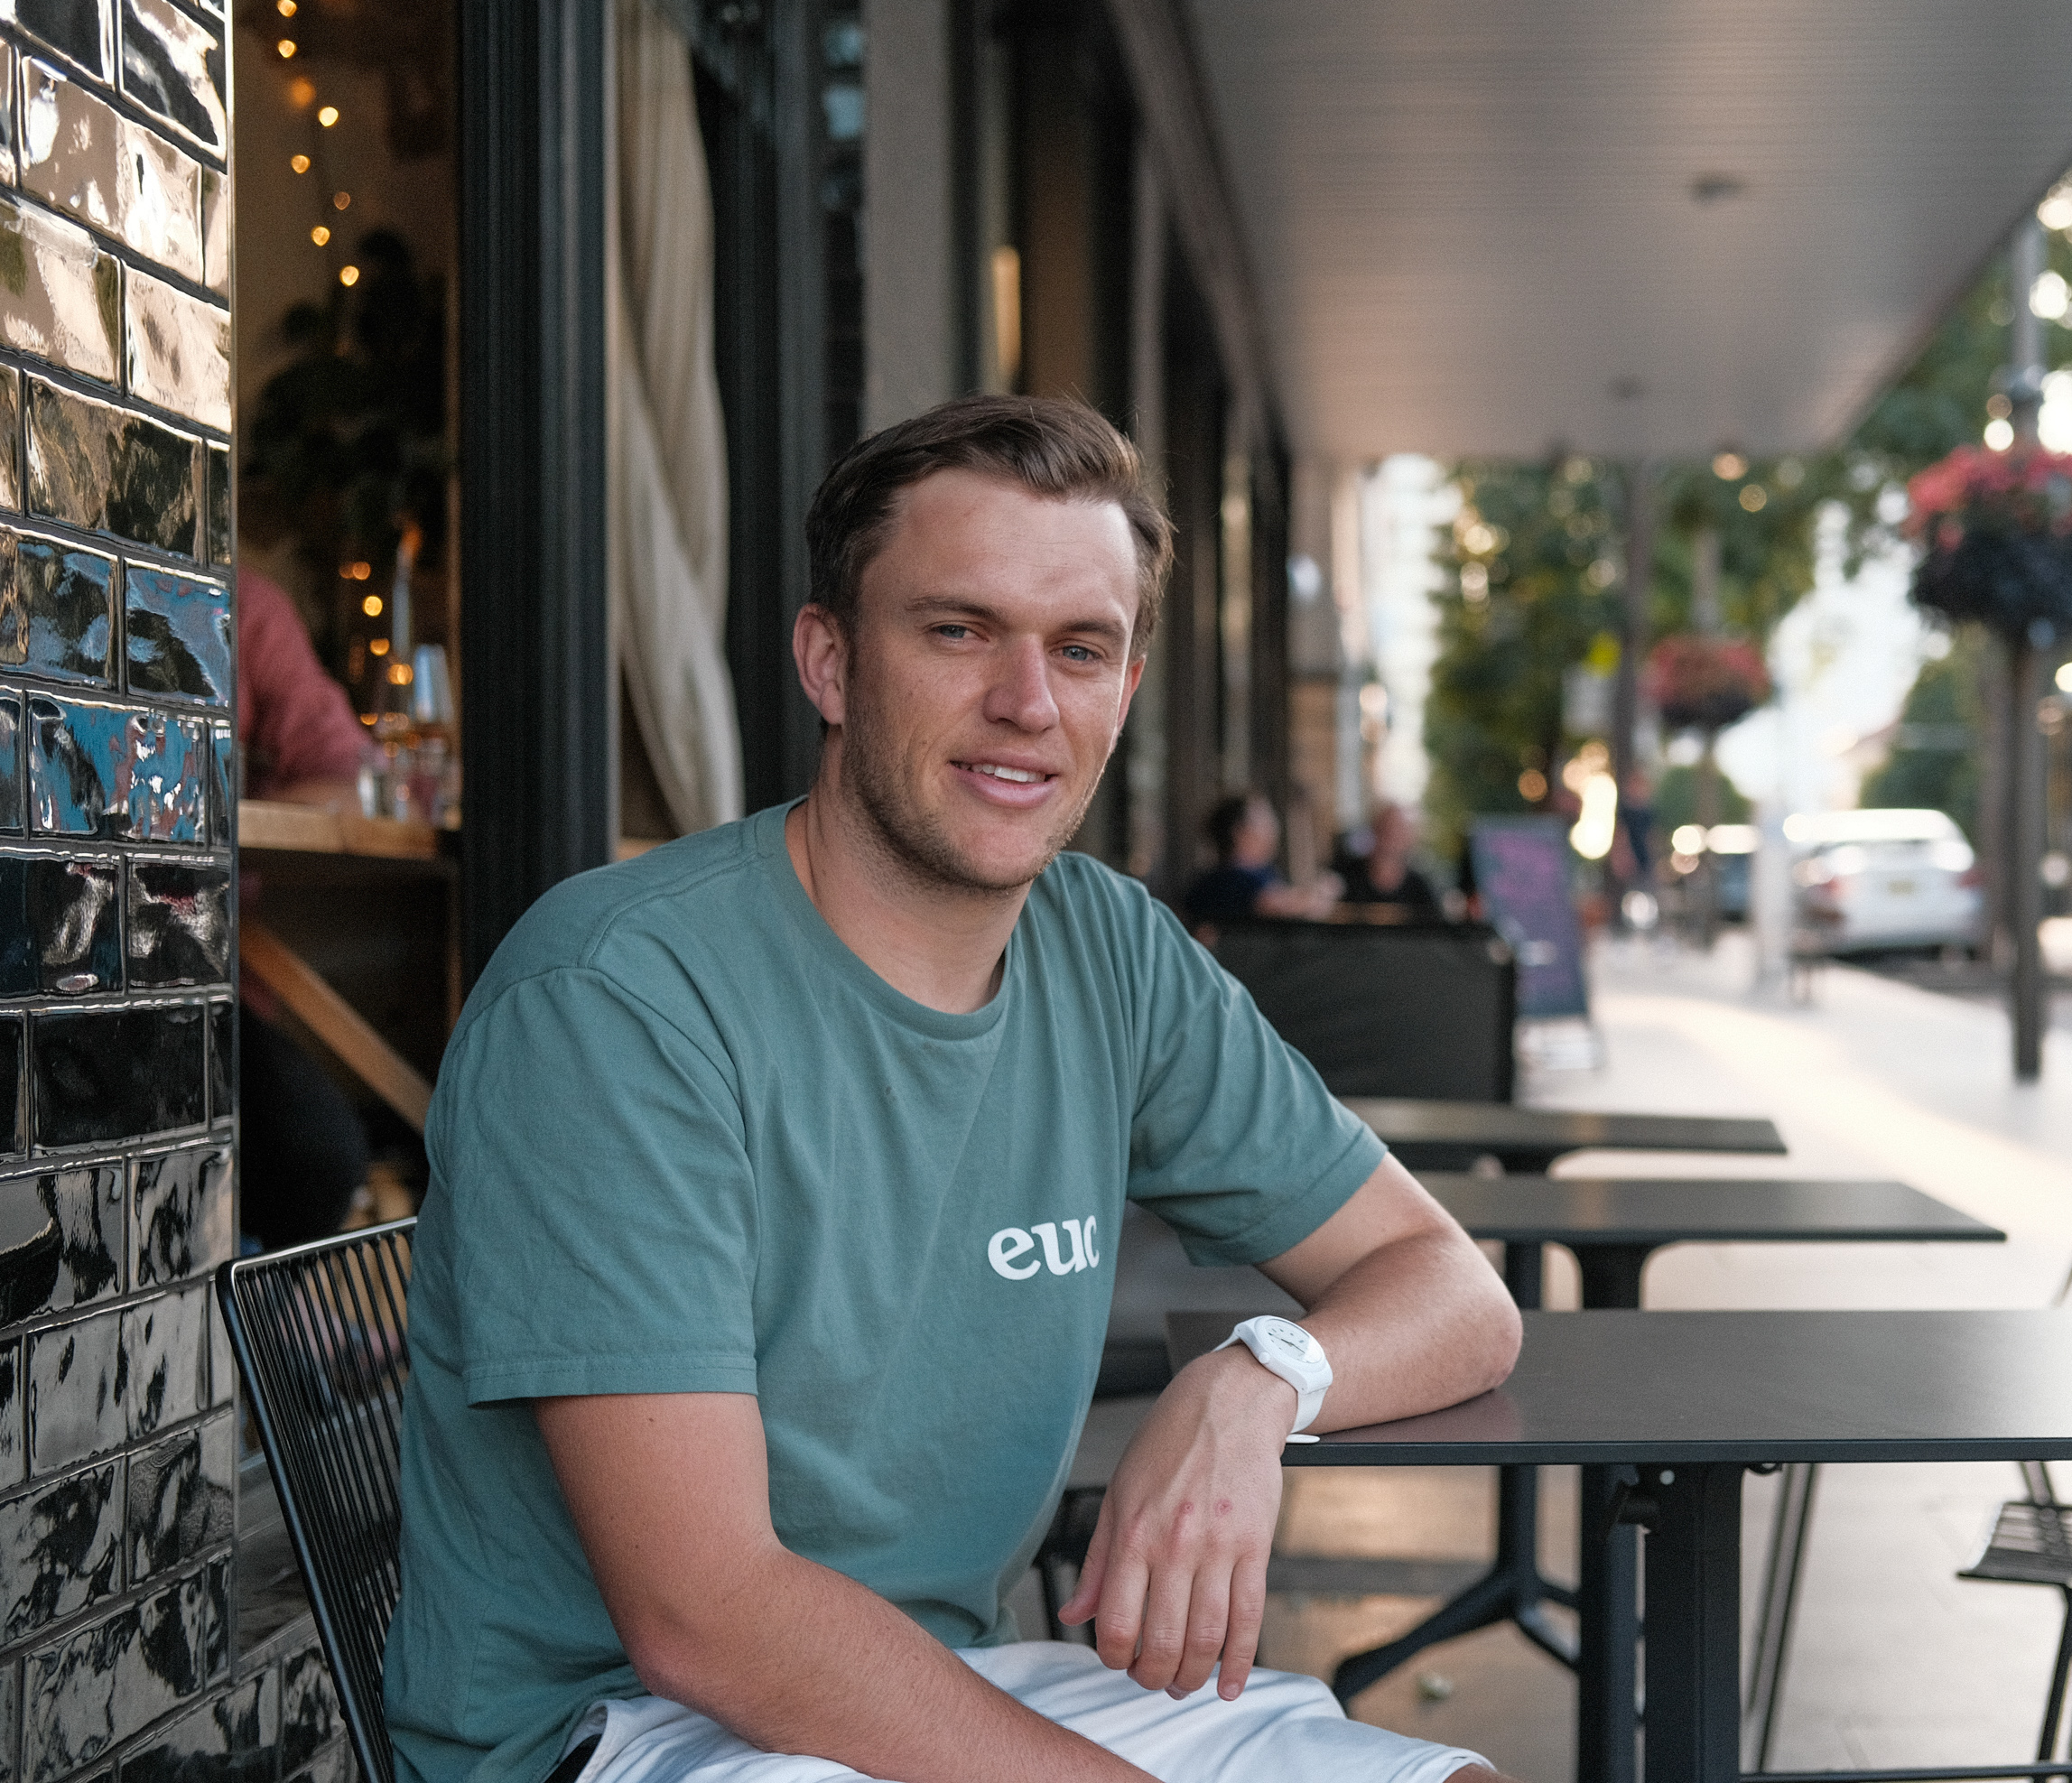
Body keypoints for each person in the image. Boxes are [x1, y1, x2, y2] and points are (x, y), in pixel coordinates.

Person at [386, 395, 1525, 1783]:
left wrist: (1264, 1379)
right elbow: (707, 1620)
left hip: (946, 1680)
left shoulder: (1107, 951)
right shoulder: (619, 1001)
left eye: (1080, 649)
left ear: (1124, 689)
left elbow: (1453, 1290)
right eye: (958, 629)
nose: (1027, 704)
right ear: (830, 661)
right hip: (630, 1730)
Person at [235, 570, 378, 1249]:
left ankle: (274, 1326)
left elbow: (354, 785)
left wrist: (204, 826)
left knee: (316, 1155)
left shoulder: (241, 609)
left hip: (212, 978)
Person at [1181, 791, 1342, 924]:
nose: (1273, 830)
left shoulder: (1263, 872)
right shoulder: (1229, 881)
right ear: (1239, 832)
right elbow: (1284, 907)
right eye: (1264, 821)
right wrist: (1324, 891)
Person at [1330, 802, 1441, 919]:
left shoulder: (1420, 889)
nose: (1391, 836)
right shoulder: (1342, 877)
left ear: (1410, 839)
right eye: (1386, 828)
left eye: (1399, 831)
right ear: (1374, 830)